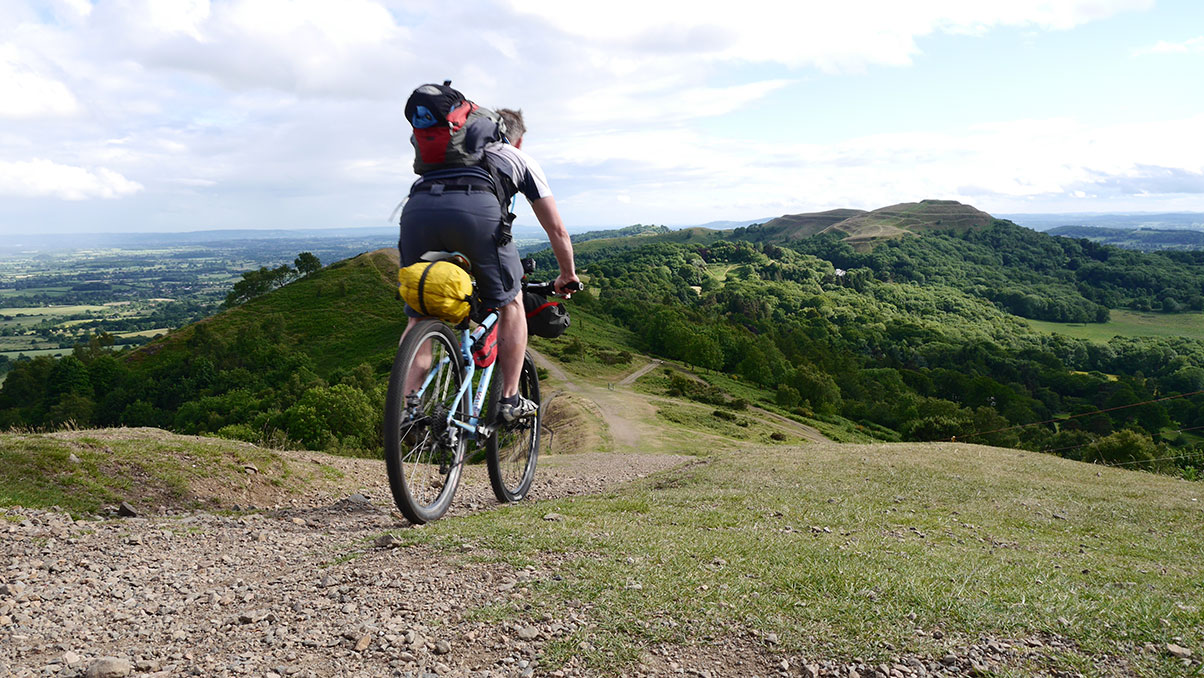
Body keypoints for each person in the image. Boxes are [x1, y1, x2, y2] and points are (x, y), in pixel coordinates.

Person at [398, 107, 578, 422]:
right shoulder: (517, 158)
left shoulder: (451, 152)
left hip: (417, 211)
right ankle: (509, 399)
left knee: (418, 314)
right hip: (475, 215)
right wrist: (568, 274)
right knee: (512, 304)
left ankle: (408, 410)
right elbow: (557, 230)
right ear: (517, 140)